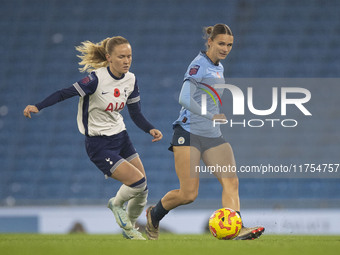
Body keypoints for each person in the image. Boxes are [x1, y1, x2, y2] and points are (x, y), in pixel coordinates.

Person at [23, 36, 163, 240]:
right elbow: (64, 93)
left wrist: (150, 129)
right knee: (138, 182)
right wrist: (38, 106)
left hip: (121, 137)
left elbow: (135, 113)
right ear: (109, 58)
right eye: (121, 56)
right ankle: (116, 204)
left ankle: (129, 230)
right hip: (99, 144)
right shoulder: (95, 80)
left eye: (129, 56)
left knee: (143, 189)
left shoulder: (130, 79)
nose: (126, 61)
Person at [145, 24, 264, 240]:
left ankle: (237, 228)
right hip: (188, 132)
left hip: (211, 134)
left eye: (229, 45)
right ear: (209, 42)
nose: (226, 48)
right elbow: (184, 98)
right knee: (188, 194)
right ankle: (154, 214)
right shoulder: (199, 65)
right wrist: (210, 116)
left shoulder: (218, 67)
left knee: (231, 181)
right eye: (221, 43)